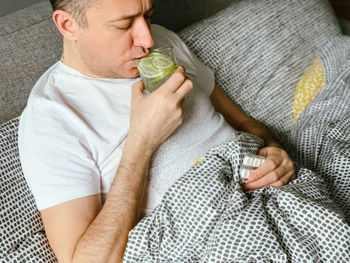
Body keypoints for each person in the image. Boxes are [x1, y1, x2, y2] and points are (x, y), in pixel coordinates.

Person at [18, 0, 295, 262]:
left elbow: (246, 125)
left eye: (147, 15)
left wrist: (274, 152)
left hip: (269, 200)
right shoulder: (52, 117)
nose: (147, 40)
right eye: (124, 25)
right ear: (68, 25)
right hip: (208, 240)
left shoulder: (163, 40)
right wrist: (142, 140)